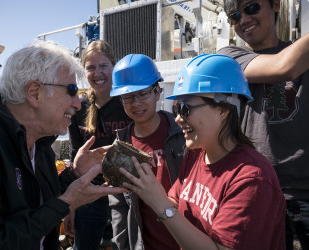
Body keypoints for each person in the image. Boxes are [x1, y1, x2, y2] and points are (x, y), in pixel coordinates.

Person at [0, 40, 126, 250]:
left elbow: (38, 201)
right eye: (71, 90)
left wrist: (74, 173)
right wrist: (66, 204)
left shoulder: (39, 145)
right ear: (35, 93)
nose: (77, 104)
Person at [119, 54, 286, 249]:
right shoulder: (196, 154)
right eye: (176, 109)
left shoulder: (251, 179)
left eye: (185, 108)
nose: (179, 118)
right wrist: (141, 183)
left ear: (224, 110)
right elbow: (175, 199)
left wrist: (159, 202)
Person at [217, 0, 309, 248]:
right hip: (257, 193)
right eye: (235, 16)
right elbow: (284, 67)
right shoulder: (229, 58)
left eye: (251, 8)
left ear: (276, 5)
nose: (243, 20)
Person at [108, 54, 185, 250]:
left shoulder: (184, 134)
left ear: (158, 92)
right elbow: (119, 205)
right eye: (128, 97)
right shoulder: (120, 146)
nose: (136, 103)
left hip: (188, 239)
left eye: (143, 94)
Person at [66, 40, 131, 250]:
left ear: (114, 66)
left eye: (103, 66)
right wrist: (71, 205)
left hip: (125, 191)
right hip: (88, 193)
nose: (98, 73)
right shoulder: (78, 108)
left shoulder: (128, 103)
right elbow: (74, 156)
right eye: (91, 67)